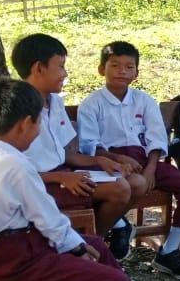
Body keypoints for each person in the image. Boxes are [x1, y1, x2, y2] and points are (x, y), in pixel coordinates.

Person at [0, 78, 165, 281]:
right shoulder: (16, 166)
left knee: (98, 245)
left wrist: (80, 244)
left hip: (12, 248)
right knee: (113, 280)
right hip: (22, 260)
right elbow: (48, 218)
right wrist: (75, 249)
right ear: (25, 123)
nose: (39, 131)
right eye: (39, 123)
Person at [77, 41, 180, 280]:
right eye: (114, 65)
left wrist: (151, 170)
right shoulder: (92, 104)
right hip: (108, 160)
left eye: (129, 66)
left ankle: (168, 252)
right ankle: (118, 226)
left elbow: (157, 138)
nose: (122, 71)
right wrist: (116, 158)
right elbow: (90, 145)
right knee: (132, 184)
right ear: (101, 69)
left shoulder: (143, 100)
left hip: (147, 159)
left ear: (137, 72)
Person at [10, 33, 137, 255]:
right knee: (119, 190)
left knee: (122, 181)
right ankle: (86, 246)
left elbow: (66, 153)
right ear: (39, 68)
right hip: (36, 186)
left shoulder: (54, 101)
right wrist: (61, 177)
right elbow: (13, 173)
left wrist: (100, 160)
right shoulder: (16, 109)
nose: (65, 74)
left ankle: (87, 243)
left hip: (61, 173)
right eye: (60, 67)